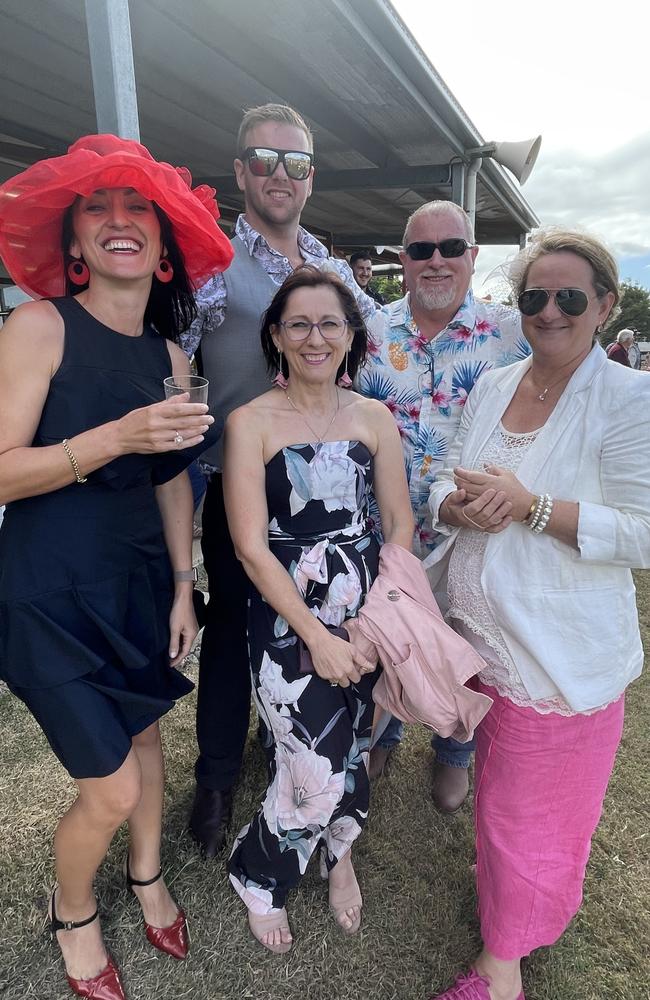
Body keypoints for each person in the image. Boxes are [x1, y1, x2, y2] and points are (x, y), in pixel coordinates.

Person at [0, 134, 233, 1000]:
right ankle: (73, 914)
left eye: (139, 207)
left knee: (145, 734)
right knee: (108, 786)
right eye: (95, 207)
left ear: (166, 248)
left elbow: (174, 481)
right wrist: (112, 439)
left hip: (140, 581)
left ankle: (146, 877)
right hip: (44, 591)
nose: (119, 220)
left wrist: (183, 586)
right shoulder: (38, 325)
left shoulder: (171, 362)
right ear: (72, 244)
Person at [424, 228, 650, 1000]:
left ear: (605, 305)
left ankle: (502, 968)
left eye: (569, 297)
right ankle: (517, 912)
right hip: (478, 641)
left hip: (552, 656)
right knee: (505, 807)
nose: (549, 311)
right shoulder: (495, 383)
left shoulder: (628, 398)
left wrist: (535, 507)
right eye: (533, 298)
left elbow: (644, 531)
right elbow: (439, 471)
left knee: (530, 819)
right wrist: (451, 503)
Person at [182, 103, 378, 858]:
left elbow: (365, 355)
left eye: (294, 163)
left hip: (325, 487)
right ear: (239, 172)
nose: (278, 175)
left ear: (310, 178)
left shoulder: (327, 266)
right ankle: (217, 779)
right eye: (262, 160)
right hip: (239, 481)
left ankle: (294, 751)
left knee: (312, 625)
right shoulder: (208, 260)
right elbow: (172, 358)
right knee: (233, 634)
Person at [223, 265, 413, 953]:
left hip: (366, 602)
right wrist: (319, 637)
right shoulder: (250, 422)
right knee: (311, 757)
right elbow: (249, 546)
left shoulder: (373, 417)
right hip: (286, 614)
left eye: (329, 322)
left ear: (350, 334)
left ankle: (341, 851)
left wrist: (376, 618)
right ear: (275, 335)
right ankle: (258, 873)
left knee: (355, 741)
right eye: (298, 323)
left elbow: (396, 522)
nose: (314, 337)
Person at [357, 200, 529, 809]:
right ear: (401, 260)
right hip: (389, 527)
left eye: (450, 248)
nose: (436, 261)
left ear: (473, 257)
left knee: (468, 641)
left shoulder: (512, 334)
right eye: (420, 250)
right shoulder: (370, 332)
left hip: (472, 530)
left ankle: (455, 749)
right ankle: (387, 731)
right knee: (391, 635)